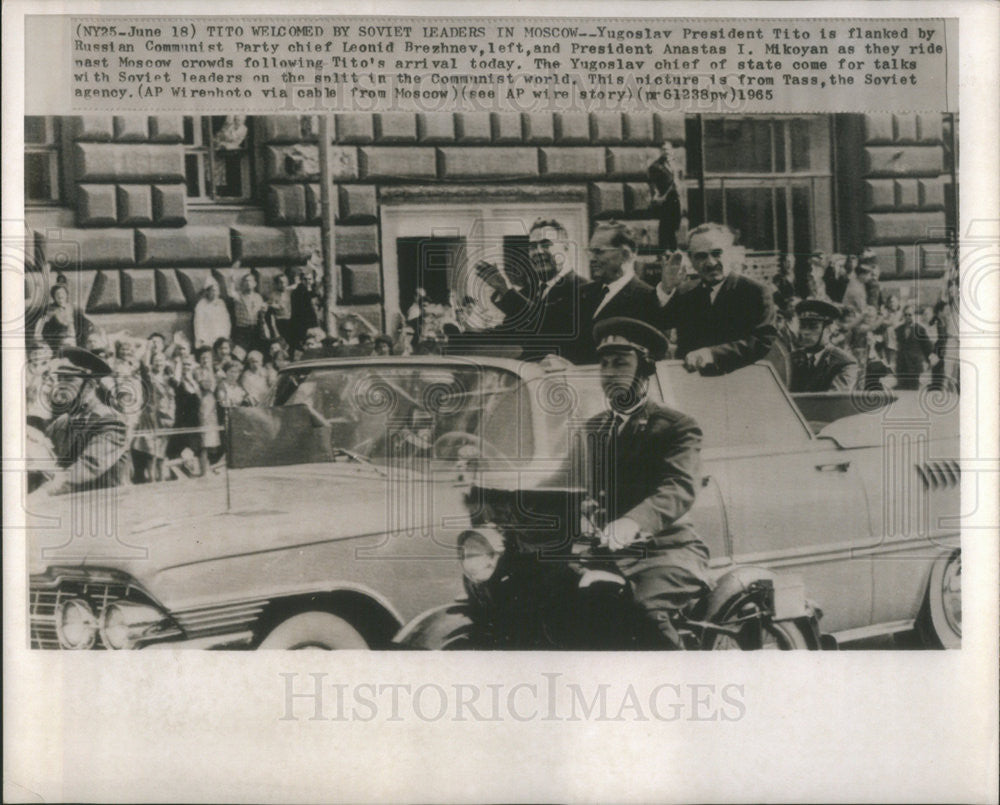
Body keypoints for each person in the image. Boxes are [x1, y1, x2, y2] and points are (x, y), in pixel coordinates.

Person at [560, 317, 713, 648]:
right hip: (603, 552)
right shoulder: (591, 428)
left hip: (666, 551)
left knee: (645, 610)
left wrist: (632, 522)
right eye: (603, 364)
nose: (610, 372)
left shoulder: (676, 426)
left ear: (644, 368)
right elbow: (562, 481)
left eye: (621, 362)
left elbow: (679, 487)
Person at [661, 222, 777, 374]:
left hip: (741, 384)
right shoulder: (685, 293)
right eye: (701, 256)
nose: (711, 263)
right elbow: (658, 322)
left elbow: (762, 341)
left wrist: (711, 354)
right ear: (691, 260)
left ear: (730, 253)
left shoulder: (754, 292)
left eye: (717, 253)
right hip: (692, 386)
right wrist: (666, 289)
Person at [473, 219, 588, 359]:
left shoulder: (583, 289)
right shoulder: (526, 293)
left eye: (546, 244)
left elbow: (547, 326)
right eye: (533, 247)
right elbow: (504, 335)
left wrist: (506, 290)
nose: (538, 252)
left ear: (566, 247)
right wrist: (455, 338)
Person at [39, 347, 131, 494]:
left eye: (69, 379)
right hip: (70, 503)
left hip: (108, 506)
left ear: (89, 385)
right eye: (60, 378)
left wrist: (44, 492)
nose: (61, 385)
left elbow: (87, 467)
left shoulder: (111, 423)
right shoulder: (62, 422)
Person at [574, 222, 659, 363]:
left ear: (625, 254)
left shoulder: (647, 298)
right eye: (590, 252)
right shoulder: (582, 293)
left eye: (599, 252)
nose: (592, 259)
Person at [788, 299, 859, 392]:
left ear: (828, 329)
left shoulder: (844, 363)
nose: (805, 332)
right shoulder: (791, 359)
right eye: (802, 326)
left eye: (813, 326)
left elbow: (832, 401)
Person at [646, 143, 684, 250]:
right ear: (660, 151)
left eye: (668, 149)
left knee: (674, 225)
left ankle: (673, 250)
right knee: (665, 226)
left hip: (676, 198)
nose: (666, 152)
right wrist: (657, 196)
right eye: (663, 150)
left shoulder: (675, 165)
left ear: (672, 151)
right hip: (665, 200)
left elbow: (679, 180)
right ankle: (663, 251)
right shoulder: (656, 166)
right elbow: (652, 184)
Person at [894, 304, 937, 390]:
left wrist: (929, 360)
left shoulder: (920, 329)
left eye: (910, 314)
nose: (908, 317)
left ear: (914, 315)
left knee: (913, 392)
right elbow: (896, 346)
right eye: (905, 315)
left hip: (914, 365)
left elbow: (927, 346)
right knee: (902, 392)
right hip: (902, 365)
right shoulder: (899, 329)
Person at [230, 272, 266, 353]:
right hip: (242, 331)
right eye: (246, 281)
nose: (248, 283)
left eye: (250, 281)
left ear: (255, 284)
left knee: (255, 352)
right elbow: (231, 293)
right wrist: (232, 281)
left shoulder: (258, 297)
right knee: (240, 353)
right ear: (242, 284)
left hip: (255, 330)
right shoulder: (239, 296)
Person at [192, 277, 231, 348]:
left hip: (220, 336)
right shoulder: (201, 304)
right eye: (212, 291)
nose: (215, 293)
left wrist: (225, 336)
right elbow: (198, 323)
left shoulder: (221, 303)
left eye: (216, 290)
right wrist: (201, 339)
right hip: (207, 337)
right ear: (207, 292)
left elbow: (226, 321)